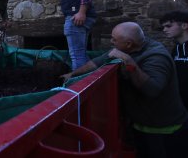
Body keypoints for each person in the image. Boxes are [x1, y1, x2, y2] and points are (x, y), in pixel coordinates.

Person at [60, 22, 188, 158]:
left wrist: (130, 63)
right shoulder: (127, 48)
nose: (111, 42)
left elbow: (152, 90)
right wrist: (72, 75)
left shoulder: (156, 57)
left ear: (129, 44)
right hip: (141, 124)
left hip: (164, 129)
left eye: (114, 39)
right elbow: (96, 62)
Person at [160, 10, 188, 110]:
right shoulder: (176, 49)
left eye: (168, 26)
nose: (164, 30)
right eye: (163, 27)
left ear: (184, 26)